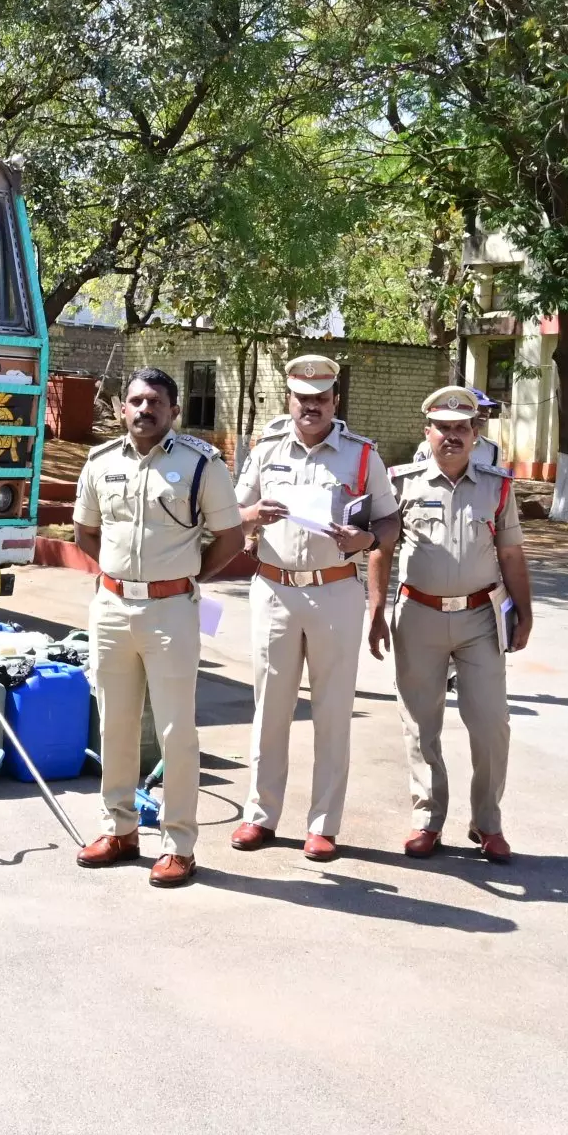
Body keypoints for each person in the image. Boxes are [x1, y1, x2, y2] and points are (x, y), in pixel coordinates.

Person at [71, 368, 245, 887]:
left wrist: (185, 578)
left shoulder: (201, 465)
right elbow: (85, 533)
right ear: (122, 408)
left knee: (176, 731)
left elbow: (231, 538)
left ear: (173, 411)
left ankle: (178, 844)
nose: (144, 410)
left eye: (155, 402)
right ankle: (119, 830)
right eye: (135, 401)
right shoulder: (100, 462)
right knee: (115, 723)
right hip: (112, 607)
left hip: (171, 612)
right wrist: (123, 579)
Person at [232, 354, 400, 860]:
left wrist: (367, 537)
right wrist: (251, 515)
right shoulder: (265, 450)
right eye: (303, 399)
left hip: (335, 591)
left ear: (335, 402)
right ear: (290, 399)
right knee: (270, 710)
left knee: (332, 712)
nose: (311, 408)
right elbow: (232, 513)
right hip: (274, 589)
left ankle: (323, 824)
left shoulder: (362, 456)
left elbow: (391, 523)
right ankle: (259, 816)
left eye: (320, 400)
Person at [368, 387, 534, 861]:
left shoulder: (498, 486)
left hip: (480, 617)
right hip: (417, 615)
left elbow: (511, 553)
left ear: (476, 435)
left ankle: (487, 823)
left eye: (462, 428)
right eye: (444, 427)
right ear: (429, 432)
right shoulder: (401, 483)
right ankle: (427, 819)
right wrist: (376, 611)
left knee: (490, 724)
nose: (453, 436)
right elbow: (382, 549)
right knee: (420, 724)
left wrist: (524, 612)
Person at [411, 389, 505, 468]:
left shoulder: (492, 448)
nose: (485, 414)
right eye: (481, 408)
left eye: (488, 410)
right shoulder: (428, 447)